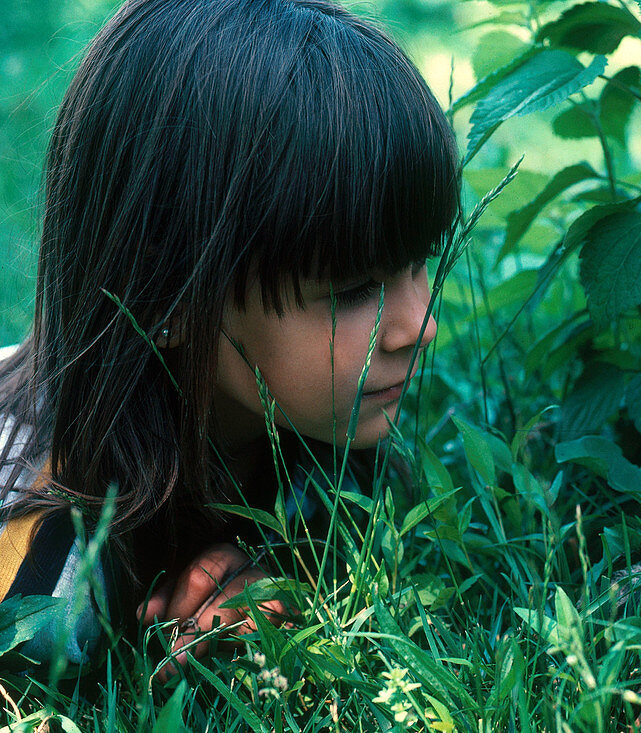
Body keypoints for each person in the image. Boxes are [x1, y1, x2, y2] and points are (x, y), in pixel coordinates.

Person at [0, 0, 458, 672]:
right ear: (169, 295)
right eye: (356, 289)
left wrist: (272, 580)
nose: (420, 326)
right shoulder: (44, 583)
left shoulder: (314, 432)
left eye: (420, 261)